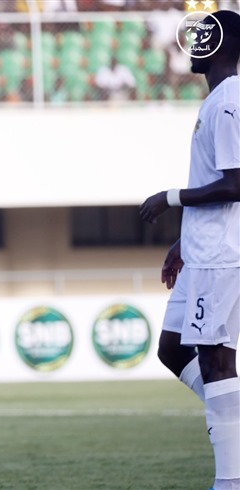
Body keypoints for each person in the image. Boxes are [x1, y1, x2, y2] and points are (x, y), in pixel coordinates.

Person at [138, 10, 240, 490]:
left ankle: (230, 480)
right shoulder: (216, 99)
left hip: (220, 256)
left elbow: (236, 184)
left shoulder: (230, 101)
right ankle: (234, 419)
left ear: (225, 46)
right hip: (200, 249)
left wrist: (170, 198)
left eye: (205, 37)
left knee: (218, 362)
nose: (196, 43)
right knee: (172, 348)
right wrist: (184, 238)